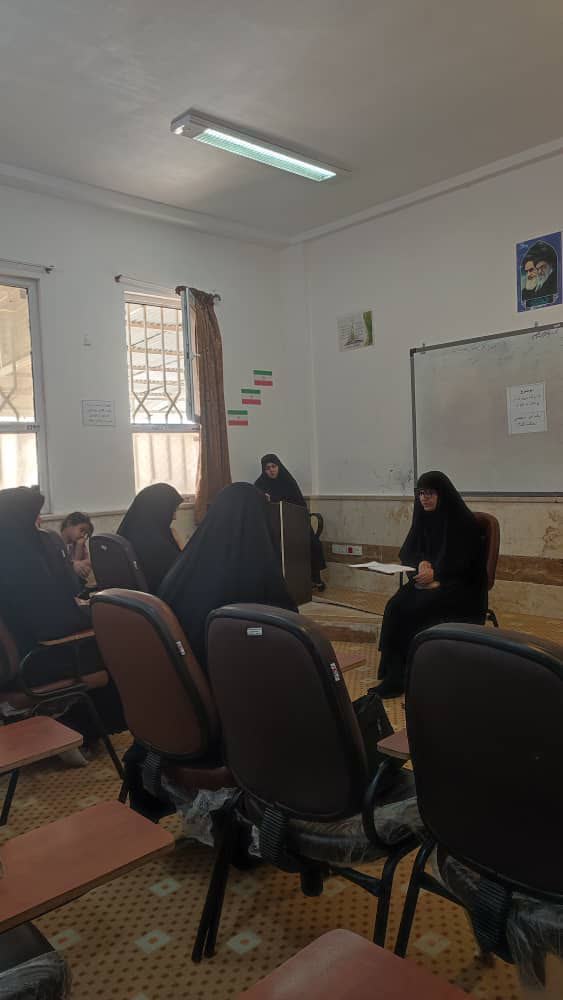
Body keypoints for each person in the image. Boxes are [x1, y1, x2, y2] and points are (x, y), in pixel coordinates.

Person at [0, 487, 125, 750]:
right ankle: (77, 731)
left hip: (12, 664)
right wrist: (93, 614)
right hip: (37, 662)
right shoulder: (25, 560)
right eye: (33, 517)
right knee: (115, 650)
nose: (38, 524)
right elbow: (53, 624)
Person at [160, 482, 298, 670]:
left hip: (182, 671)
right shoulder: (257, 572)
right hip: (229, 675)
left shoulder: (189, 561)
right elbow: (289, 629)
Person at [374, 471, 487, 699]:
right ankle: (394, 671)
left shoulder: (463, 522)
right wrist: (421, 564)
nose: (424, 498)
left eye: (430, 493)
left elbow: (468, 564)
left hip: (461, 586)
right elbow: (409, 551)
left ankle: (414, 672)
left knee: (417, 609)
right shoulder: (423, 519)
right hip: (428, 581)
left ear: (442, 495)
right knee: (395, 605)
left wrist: (438, 577)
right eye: (421, 493)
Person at [254, 454, 327, 591]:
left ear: (279, 466)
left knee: (312, 543)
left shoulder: (287, 481)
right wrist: (264, 499)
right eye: (267, 468)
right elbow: (257, 508)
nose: (271, 470)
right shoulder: (260, 485)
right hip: (274, 527)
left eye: (274, 466)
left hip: (295, 522)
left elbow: (299, 503)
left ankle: (315, 578)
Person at [118, 483, 183, 594]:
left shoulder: (130, 531)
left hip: (128, 599)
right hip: (158, 600)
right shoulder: (155, 544)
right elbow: (181, 575)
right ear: (159, 509)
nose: (174, 517)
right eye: (172, 511)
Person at [60, 511, 94, 582]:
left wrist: (79, 547)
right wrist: (75, 564)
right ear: (69, 524)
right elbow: (69, 570)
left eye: (85, 533)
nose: (83, 535)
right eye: (81, 530)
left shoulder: (79, 544)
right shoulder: (56, 544)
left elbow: (89, 562)